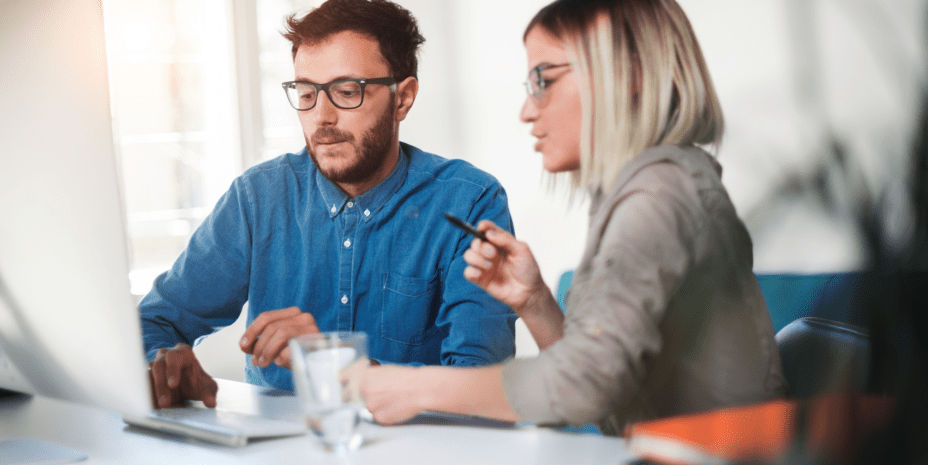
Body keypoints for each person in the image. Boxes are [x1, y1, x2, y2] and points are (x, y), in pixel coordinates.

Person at [360, 0, 786, 435]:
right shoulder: (647, 187)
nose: (527, 110)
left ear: (629, 74)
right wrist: (535, 302)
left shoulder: (658, 197)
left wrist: (415, 387)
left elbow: (585, 386)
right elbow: (609, 390)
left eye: (542, 80)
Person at [140, 0, 517, 409]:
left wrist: (334, 362)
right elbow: (155, 321)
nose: (322, 117)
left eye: (346, 91)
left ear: (403, 98)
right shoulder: (259, 198)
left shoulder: (469, 202)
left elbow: (485, 390)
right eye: (306, 93)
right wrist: (163, 364)